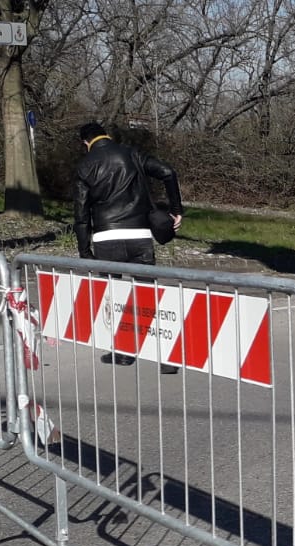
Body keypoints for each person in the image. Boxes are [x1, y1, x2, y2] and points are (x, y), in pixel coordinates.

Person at [74, 121, 184, 372]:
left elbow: (81, 214)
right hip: (139, 234)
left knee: (115, 298)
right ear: (107, 135)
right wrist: (176, 210)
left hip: (105, 238)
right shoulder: (131, 153)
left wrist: (84, 251)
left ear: (85, 143)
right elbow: (168, 172)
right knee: (146, 294)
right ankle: (164, 355)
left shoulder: (84, 166)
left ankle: (123, 353)